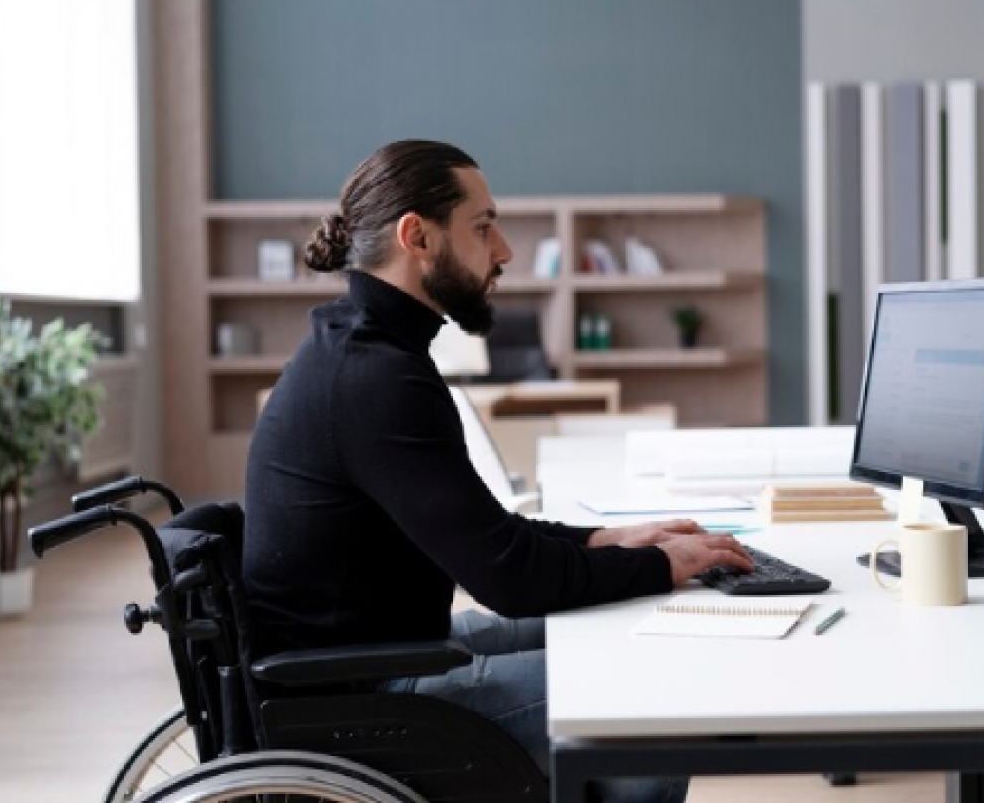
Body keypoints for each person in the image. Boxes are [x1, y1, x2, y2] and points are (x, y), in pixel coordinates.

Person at [243, 139, 753, 803]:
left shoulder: (363, 349)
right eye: (483, 227)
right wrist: (666, 564)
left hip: (372, 652)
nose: (504, 250)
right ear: (416, 236)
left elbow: (487, 537)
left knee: (619, 614)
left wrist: (605, 541)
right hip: (362, 696)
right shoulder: (376, 377)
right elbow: (510, 579)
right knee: (646, 674)